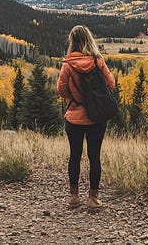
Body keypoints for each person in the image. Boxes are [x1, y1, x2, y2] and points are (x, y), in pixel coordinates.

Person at [57, 25, 115, 209]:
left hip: (74, 116)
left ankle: (74, 196)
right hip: (96, 117)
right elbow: (111, 84)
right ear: (89, 39)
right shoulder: (98, 61)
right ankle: (93, 198)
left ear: (72, 41)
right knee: (94, 156)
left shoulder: (68, 64)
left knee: (74, 155)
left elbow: (61, 90)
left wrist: (74, 97)